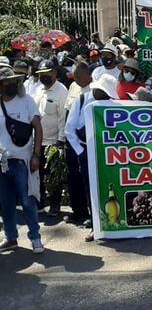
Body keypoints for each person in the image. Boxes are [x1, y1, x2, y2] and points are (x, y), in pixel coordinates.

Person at [65, 73, 118, 242]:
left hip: (106, 153)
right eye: (102, 93)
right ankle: (96, 227)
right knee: (91, 190)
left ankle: (113, 222)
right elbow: (69, 129)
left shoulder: (110, 104)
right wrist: (80, 152)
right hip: (85, 151)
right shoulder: (81, 100)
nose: (104, 97)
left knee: (109, 187)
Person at [0, 65, 44, 254]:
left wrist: (36, 155)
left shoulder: (26, 101)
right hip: (2, 163)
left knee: (28, 202)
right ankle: (11, 238)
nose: (9, 84)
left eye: (12, 81)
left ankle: (35, 238)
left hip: (23, 162)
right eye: (5, 82)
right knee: (6, 203)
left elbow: (38, 128)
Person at [32, 59, 68, 217]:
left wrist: (60, 141)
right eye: (41, 74)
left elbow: (62, 118)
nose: (43, 77)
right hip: (37, 141)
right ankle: (39, 203)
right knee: (36, 174)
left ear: (54, 73)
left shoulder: (61, 91)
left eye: (47, 74)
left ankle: (55, 205)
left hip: (54, 142)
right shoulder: (39, 89)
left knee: (53, 176)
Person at [63, 62, 92, 226]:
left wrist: (81, 149)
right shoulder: (74, 86)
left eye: (79, 77)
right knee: (73, 177)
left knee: (86, 179)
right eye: (74, 77)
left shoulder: (95, 90)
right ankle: (78, 211)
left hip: (84, 144)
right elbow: (68, 110)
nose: (77, 80)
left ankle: (90, 215)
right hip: (71, 139)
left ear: (87, 74)